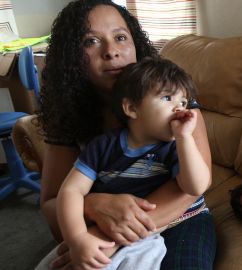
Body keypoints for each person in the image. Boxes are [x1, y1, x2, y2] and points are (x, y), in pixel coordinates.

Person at [36, 0, 216, 269]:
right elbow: (52, 204)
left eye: (120, 37)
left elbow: (192, 188)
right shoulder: (70, 118)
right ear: (71, 54)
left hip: (180, 221)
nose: (111, 51)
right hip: (101, 225)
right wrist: (93, 204)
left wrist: (108, 237)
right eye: (91, 42)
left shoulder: (172, 101)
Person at [54, 57, 210, 269]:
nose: (179, 109)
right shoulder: (102, 146)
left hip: (176, 222)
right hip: (119, 225)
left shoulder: (176, 147)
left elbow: (196, 186)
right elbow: (71, 191)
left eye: (183, 102)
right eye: (167, 98)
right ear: (131, 108)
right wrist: (78, 238)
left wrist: (184, 138)